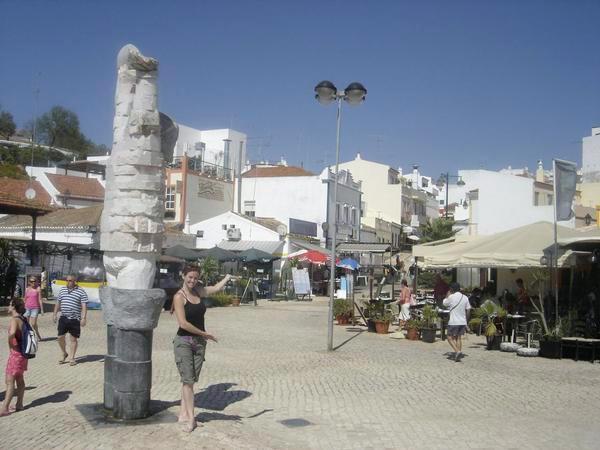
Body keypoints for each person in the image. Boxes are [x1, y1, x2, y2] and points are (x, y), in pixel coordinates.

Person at [172, 266, 233, 433]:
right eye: (189, 277)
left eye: (195, 278)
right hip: (184, 341)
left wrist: (227, 277)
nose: (192, 280)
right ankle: (192, 419)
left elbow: (215, 288)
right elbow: (183, 323)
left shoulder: (198, 291)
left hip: (199, 343)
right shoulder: (179, 297)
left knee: (189, 380)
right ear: (183, 276)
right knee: (188, 380)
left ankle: (183, 413)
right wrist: (205, 333)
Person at [0, 298, 28, 416]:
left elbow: (12, 333)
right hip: (23, 355)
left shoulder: (14, 320)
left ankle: (4, 408)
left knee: (9, 381)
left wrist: (10, 343)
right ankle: (19, 404)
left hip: (16, 354)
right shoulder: (23, 319)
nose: (8, 306)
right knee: (19, 379)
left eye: (10, 304)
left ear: (13, 307)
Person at [53, 275, 88, 366]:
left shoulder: (81, 291)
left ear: (74, 281)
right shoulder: (62, 290)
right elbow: (58, 303)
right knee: (60, 337)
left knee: (73, 339)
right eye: (67, 280)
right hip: (63, 317)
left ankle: (72, 358)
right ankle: (64, 353)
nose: (68, 282)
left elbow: (84, 305)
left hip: (75, 319)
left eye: (70, 280)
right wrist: (54, 314)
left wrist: (83, 318)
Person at [443, 282, 471, 362]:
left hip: (453, 321)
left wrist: (447, 295)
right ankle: (458, 355)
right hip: (462, 321)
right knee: (458, 338)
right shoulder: (465, 297)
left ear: (452, 289)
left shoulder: (451, 297)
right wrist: (466, 321)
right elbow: (468, 309)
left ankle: (457, 351)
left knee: (449, 338)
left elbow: (444, 303)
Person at [24, 276, 43, 340]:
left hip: (35, 308)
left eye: (34, 281)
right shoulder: (27, 289)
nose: (33, 283)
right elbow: (25, 298)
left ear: (36, 281)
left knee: (33, 323)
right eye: (31, 281)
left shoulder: (38, 288)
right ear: (29, 282)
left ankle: (37, 334)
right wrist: (22, 308)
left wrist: (42, 309)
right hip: (27, 307)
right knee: (26, 323)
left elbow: (40, 299)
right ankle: (28, 336)